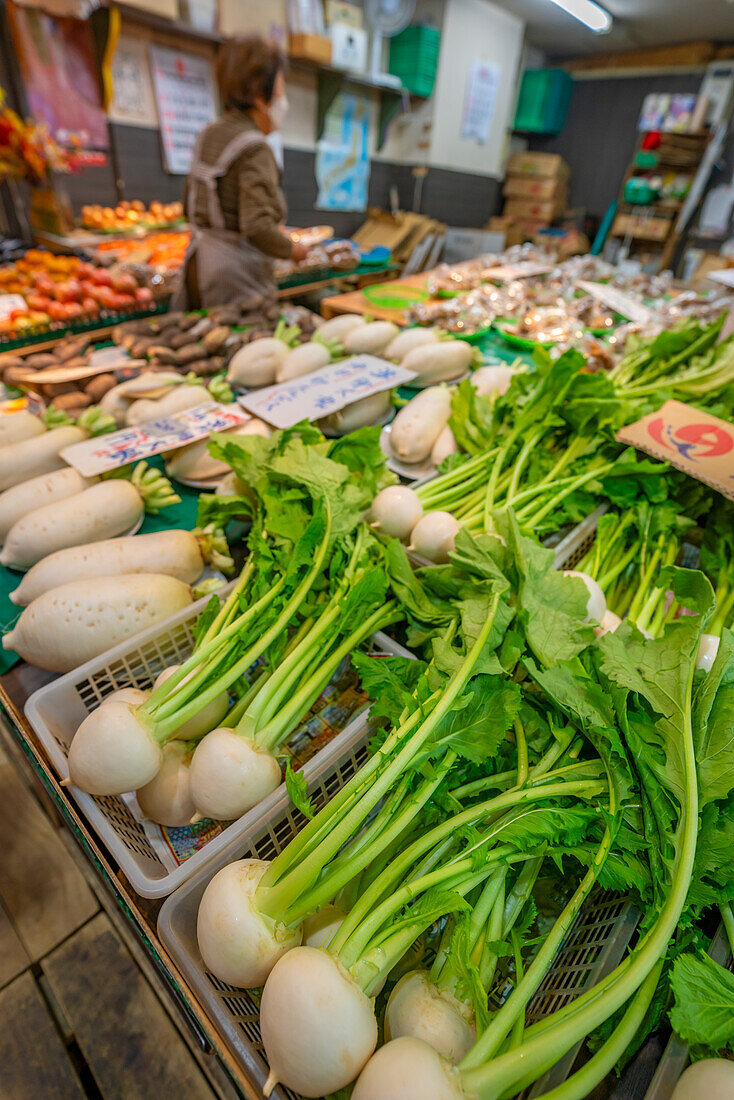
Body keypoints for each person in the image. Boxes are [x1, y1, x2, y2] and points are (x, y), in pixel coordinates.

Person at [174, 35, 310, 314]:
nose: (283, 101)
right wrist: (294, 251)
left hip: (199, 266)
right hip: (236, 278)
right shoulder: (254, 147)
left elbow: (188, 206)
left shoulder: (209, 134)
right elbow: (257, 226)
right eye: (282, 90)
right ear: (261, 94)